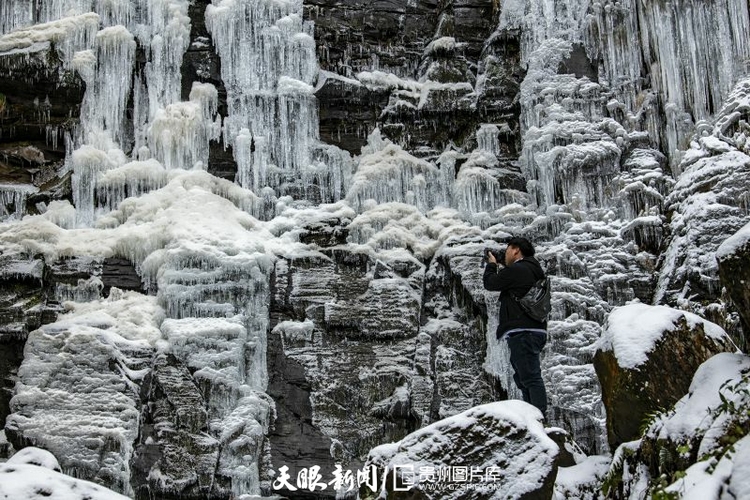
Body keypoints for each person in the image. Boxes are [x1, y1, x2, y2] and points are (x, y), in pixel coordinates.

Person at [483, 236, 548, 417]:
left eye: (506, 250)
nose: (505, 255)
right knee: (523, 377)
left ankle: (539, 418)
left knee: (530, 377)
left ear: (516, 250)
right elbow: (514, 283)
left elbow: (491, 283)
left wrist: (491, 265)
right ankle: (532, 415)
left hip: (523, 331)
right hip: (535, 329)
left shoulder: (519, 269)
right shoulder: (534, 269)